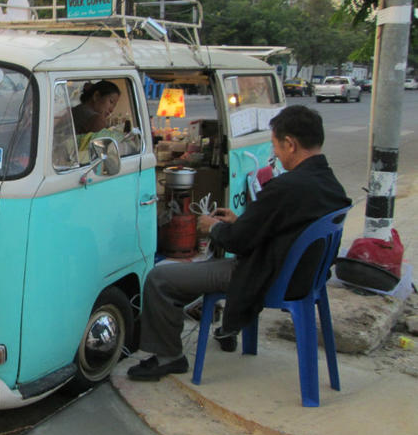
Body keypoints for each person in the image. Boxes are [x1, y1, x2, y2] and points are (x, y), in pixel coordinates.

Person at [127, 105, 351, 381]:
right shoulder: (330, 183)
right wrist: (238, 221)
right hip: (305, 276)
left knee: (161, 278)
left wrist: (215, 227)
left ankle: (168, 357)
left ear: (290, 144)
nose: (276, 154)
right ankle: (200, 330)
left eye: (275, 146)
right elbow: (277, 228)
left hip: (267, 275)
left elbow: (240, 242)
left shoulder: (286, 187)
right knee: (183, 276)